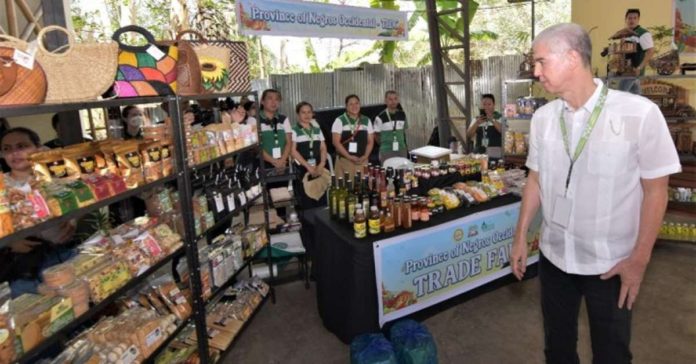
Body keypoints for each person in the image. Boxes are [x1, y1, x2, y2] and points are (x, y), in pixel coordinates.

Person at [510, 23, 681, 363]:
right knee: (557, 348)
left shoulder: (639, 114)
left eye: (542, 61)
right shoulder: (544, 119)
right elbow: (535, 180)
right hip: (554, 257)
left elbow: (656, 191)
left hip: (612, 264)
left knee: (612, 353)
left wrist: (639, 260)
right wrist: (520, 236)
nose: (535, 71)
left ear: (572, 58)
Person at [0, 128, 78, 297]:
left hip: (64, 255)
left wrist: (72, 221)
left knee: (77, 301)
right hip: (24, 270)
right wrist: (9, 242)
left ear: (38, 147)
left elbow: (78, 204)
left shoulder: (54, 178)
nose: (15, 153)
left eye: (22, 146)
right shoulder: (1, 184)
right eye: (7, 149)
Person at [291, 101, 328, 209]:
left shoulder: (317, 129)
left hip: (318, 167)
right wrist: (308, 166)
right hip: (302, 168)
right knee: (305, 200)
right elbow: (293, 151)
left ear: (312, 114)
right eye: (303, 112)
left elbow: (323, 148)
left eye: (309, 112)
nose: (307, 115)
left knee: (321, 195)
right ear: (298, 114)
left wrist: (322, 164)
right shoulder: (294, 130)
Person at [331, 94, 374, 178]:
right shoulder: (339, 120)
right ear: (346, 106)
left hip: (362, 161)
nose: (354, 106)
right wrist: (349, 157)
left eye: (356, 103)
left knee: (363, 187)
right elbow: (335, 142)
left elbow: (370, 141)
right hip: (345, 161)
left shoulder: (366, 120)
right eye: (351, 104)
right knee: (346, 187)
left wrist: (365, 156)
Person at [619, 9, 655, 94]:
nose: (632, 20)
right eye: (630, 18)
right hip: (626, 72)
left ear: (638, 19)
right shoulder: (625, 34)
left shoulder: (643, 33)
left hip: (635, 72)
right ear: (626, 19)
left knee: (621, 94)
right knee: (636, 97)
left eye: (635, 18)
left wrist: (640, 67)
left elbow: (650, 51)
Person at [258, 89, 292, 173]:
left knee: (283, 186)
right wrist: (274, 161)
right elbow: (257, 146)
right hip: (264, 164)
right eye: (270, 98)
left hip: (283, 163)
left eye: (277, 99)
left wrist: (282, 160)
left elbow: (289, 142)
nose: (274, 102)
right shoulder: (255, 120)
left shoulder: (283, 119)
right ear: (262, 101)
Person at [373, 90, 408, 164]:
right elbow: (376, 135)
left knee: (403, 173)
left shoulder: (402, 115)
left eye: (395, 99)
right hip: (386, 151)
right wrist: (384, 144)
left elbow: (403, 132)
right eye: (390, 99)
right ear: (386, 101)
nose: (393, 101)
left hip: (401, 149)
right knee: (388, 173)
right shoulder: (380, 117)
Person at [466, 94, 504, 158]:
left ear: (494, 105)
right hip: (479, 154)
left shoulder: (500, 118)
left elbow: (503, 132)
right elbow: (468, 135)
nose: (486, 107)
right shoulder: (476, 119)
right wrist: (477, 123)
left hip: (496, 153)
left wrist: (492, 120)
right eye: (484, 104)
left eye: (489, 104)